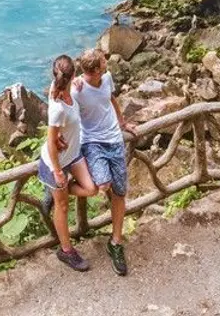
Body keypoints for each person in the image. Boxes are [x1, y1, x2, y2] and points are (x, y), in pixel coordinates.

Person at [75, 47, 134, 276]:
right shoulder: (77, 89)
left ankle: (116, 242)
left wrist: (123, 123)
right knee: (103, 185)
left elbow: (112, 99)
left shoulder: (107, 78)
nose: (106, 62)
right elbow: (58, 99)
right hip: (92, 142)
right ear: (96, 69)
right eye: (103, 61)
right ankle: (61, 188)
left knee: (119, 192)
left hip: (114, 140)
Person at [38, 53, 98, 271]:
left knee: (91, 188)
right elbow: (51, 141)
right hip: (57, 163)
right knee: (62, 207)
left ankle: (52, 192)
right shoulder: (57, 109)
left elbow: (68, 82)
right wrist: (57, 172)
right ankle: (66, 251)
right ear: (70, 74)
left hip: (73, 154)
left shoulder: (63, 84)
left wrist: (79, 81)